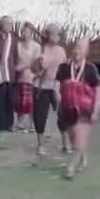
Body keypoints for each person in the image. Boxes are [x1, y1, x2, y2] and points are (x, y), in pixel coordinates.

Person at [56, 39, 100, 180]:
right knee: (74, 138)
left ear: (86, 51)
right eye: (76, 47)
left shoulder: (91, 69)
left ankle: (71, 168)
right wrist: (59, 101)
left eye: (81, 48)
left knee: (80, 138)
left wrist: (95, 111)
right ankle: (83, 157)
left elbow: (97, 91)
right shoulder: (64, 67)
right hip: (68, 110)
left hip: (85, 111)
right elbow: (56, 86)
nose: (77, 50)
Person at [33, 23, 68, 156]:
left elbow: (64, 69)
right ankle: (40, 146)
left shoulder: (61, 51)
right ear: (49, 35)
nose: (58, 36)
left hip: (57, 86)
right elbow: (34, 69)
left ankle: (65, 144)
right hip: (41, 87)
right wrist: (39, 65)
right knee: (40, 116)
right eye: (55, 34)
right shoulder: (40, 50)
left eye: (59, 34)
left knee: (63, 115)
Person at [15, 22, 42, 131]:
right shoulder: (18, 45)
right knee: (20, 100)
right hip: (19, 76)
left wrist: (26, 66)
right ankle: (20, 122)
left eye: (28, 32)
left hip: (31, 76)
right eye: (24, 32)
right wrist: (18, 68)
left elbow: (36, 62)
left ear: (31, 33)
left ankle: (32, 123)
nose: (25, 34)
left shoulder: (36, 46)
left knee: (31, 101)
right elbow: (15, 60)